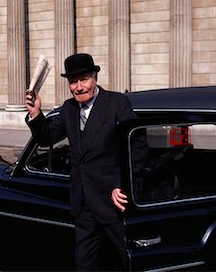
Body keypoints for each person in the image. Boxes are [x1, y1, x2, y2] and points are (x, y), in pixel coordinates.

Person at [25, 53, 136, 271]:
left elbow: (136, 149)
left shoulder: (117, 103)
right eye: (73, 82)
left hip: (113, 202)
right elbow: (47, 137)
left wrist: (121, 184)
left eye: (83, 79)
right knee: (85, 264)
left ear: (94, 77)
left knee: (126, 260)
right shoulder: (68, 108)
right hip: (82, 204)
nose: (78, 87)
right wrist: (36, 113)